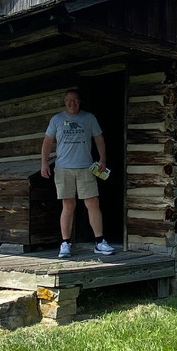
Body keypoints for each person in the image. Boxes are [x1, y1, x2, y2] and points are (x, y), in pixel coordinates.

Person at [41, 88, 115, 258]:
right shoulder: (57, 119)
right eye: (69, 100)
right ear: (64, 102)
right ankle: (65, 243)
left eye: (75, 100)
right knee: (68, 204)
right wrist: (44, 162)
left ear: (79, 102)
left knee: (93, 202)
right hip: (63, 168)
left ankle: (99, 242)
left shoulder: (88, 118)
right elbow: (47, 141)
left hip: (85, 167)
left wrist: (102, 159)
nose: (72, 103)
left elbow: (99, 139)